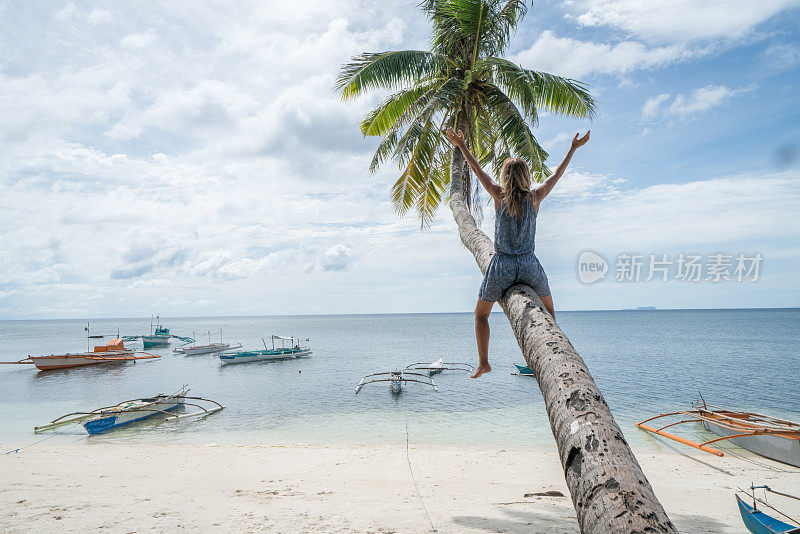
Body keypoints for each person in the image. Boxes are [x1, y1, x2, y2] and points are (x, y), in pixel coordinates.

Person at [445, 127, 590, 378]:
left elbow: (477, 169)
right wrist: (572, 149)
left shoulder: (498, 194)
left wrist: (461, 145)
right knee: (550, 313)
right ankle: (552, 354)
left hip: (502, 266)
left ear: (504, 176)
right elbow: (556, 174)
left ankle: (484, 362)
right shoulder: (535, 196)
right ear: (526, 176)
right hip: (529, 265)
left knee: (481, 316)